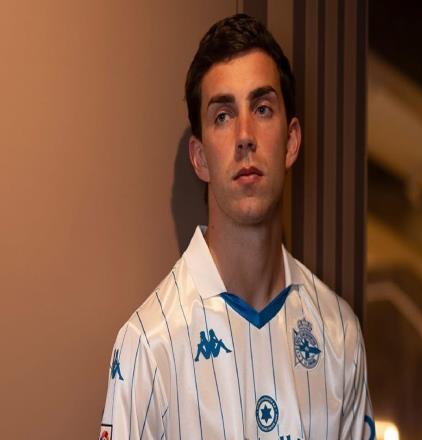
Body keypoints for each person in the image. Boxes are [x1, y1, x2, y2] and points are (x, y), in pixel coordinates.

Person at [100, 13, 375, 440]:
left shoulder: (340, 335)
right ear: (200, 158)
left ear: (291, 141)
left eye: (262, 109)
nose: (245, 135)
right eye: (223, 116)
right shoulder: (148, 345)